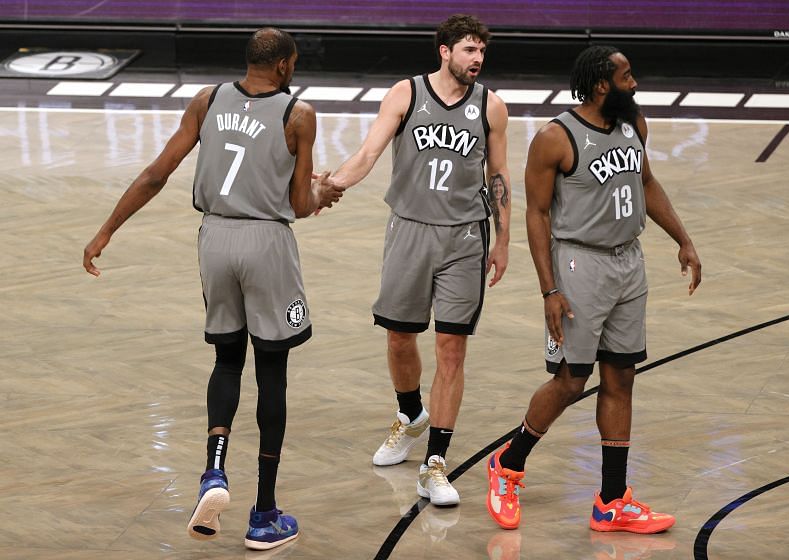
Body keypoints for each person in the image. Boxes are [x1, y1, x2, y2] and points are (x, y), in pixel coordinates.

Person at [83, 27, 343, 550]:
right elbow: (296, 203)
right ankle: (264, 515)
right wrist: (323, 193)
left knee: (227, 361)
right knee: (272, 374)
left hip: (214, 240)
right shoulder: (299, 114)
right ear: (287, 67)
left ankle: (214, 474)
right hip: (266, 242)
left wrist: (106, 229)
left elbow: (158, 173)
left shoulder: (207, 100)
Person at [486, 45, 701, 532]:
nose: (635, 82)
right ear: (602, 84)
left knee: (621, 378)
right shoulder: (555, 138)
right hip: (579, 264)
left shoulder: (634, 125)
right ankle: (508, 465)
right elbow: (536, 215)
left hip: (629, 263)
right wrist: (549, 290)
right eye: (627, 76)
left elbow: (646, 183)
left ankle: (611, 500)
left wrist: (684, 240)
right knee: (570, 379)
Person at [323, 14, 511, 506]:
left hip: (465, 237)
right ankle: (410, 415)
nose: (477, 60)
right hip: (408, 229)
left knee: (452, 349)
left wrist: (504, 239)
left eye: (481, 52)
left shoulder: (491, 107)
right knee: (400, 335)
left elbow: (499, 176)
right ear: (444, 51)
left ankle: (435, 464)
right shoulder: (405, 94)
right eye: (469, 50)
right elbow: (367, 154)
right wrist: (330, 187)